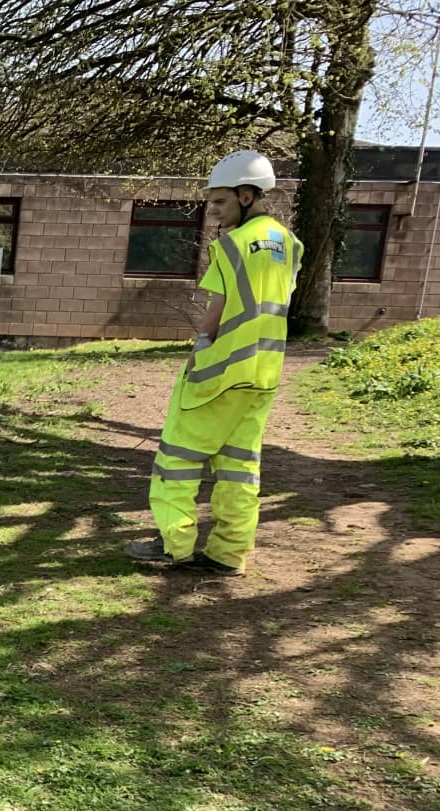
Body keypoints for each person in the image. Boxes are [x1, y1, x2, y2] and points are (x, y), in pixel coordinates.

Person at [126, 151, 301, 577]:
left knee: (177, 460)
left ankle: (174, 545)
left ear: (246, 195)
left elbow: (216, 309)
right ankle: (228, 554)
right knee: (240, 467)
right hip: (262, 374)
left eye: (220, 203)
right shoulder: (290, 245)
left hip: (218, 372)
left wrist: (201, 345)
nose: (215, 214)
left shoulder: (231, 246)